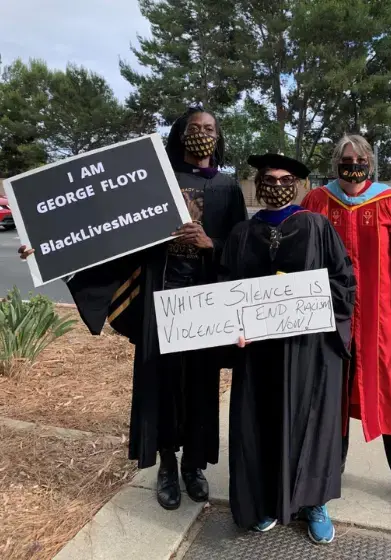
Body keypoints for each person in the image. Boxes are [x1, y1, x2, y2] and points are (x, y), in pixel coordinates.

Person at [19, 106, 247, 511]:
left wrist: (211, 244)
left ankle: (194, 465)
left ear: (219, 136)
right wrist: (48, 249)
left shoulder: (227, 188)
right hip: (160, 298)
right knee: (161, 385)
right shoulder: (155, 181)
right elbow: (102, 228)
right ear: (179, 134)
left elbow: (241, 244)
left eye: (209, 128)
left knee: (199, 385)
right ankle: (166, 463)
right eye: (194, 127)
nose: (202, 133)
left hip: (205, 300)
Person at [220, 153, 356, 544]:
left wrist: (302, 293)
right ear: (258, 184)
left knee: (312, 425)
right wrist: (234, 327)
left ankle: (314, 503)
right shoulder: (242, 234)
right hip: (259, 353)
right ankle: (265, 501)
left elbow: (344, 281)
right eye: (267, 178)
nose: (275, 185)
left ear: (297, 185)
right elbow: (227, 286)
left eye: (284, 179)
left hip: (310, 350)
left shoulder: (316, 226)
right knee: (260, 422)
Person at [302, 134, 391, 517]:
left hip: (382, 322)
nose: (353, 164)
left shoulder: (390, 202)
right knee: (330, 399)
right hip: (329, 320)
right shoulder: (317, 201)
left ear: (370, 162)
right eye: (346, 158)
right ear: (336, 163)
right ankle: (328, 476)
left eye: (360, 157)